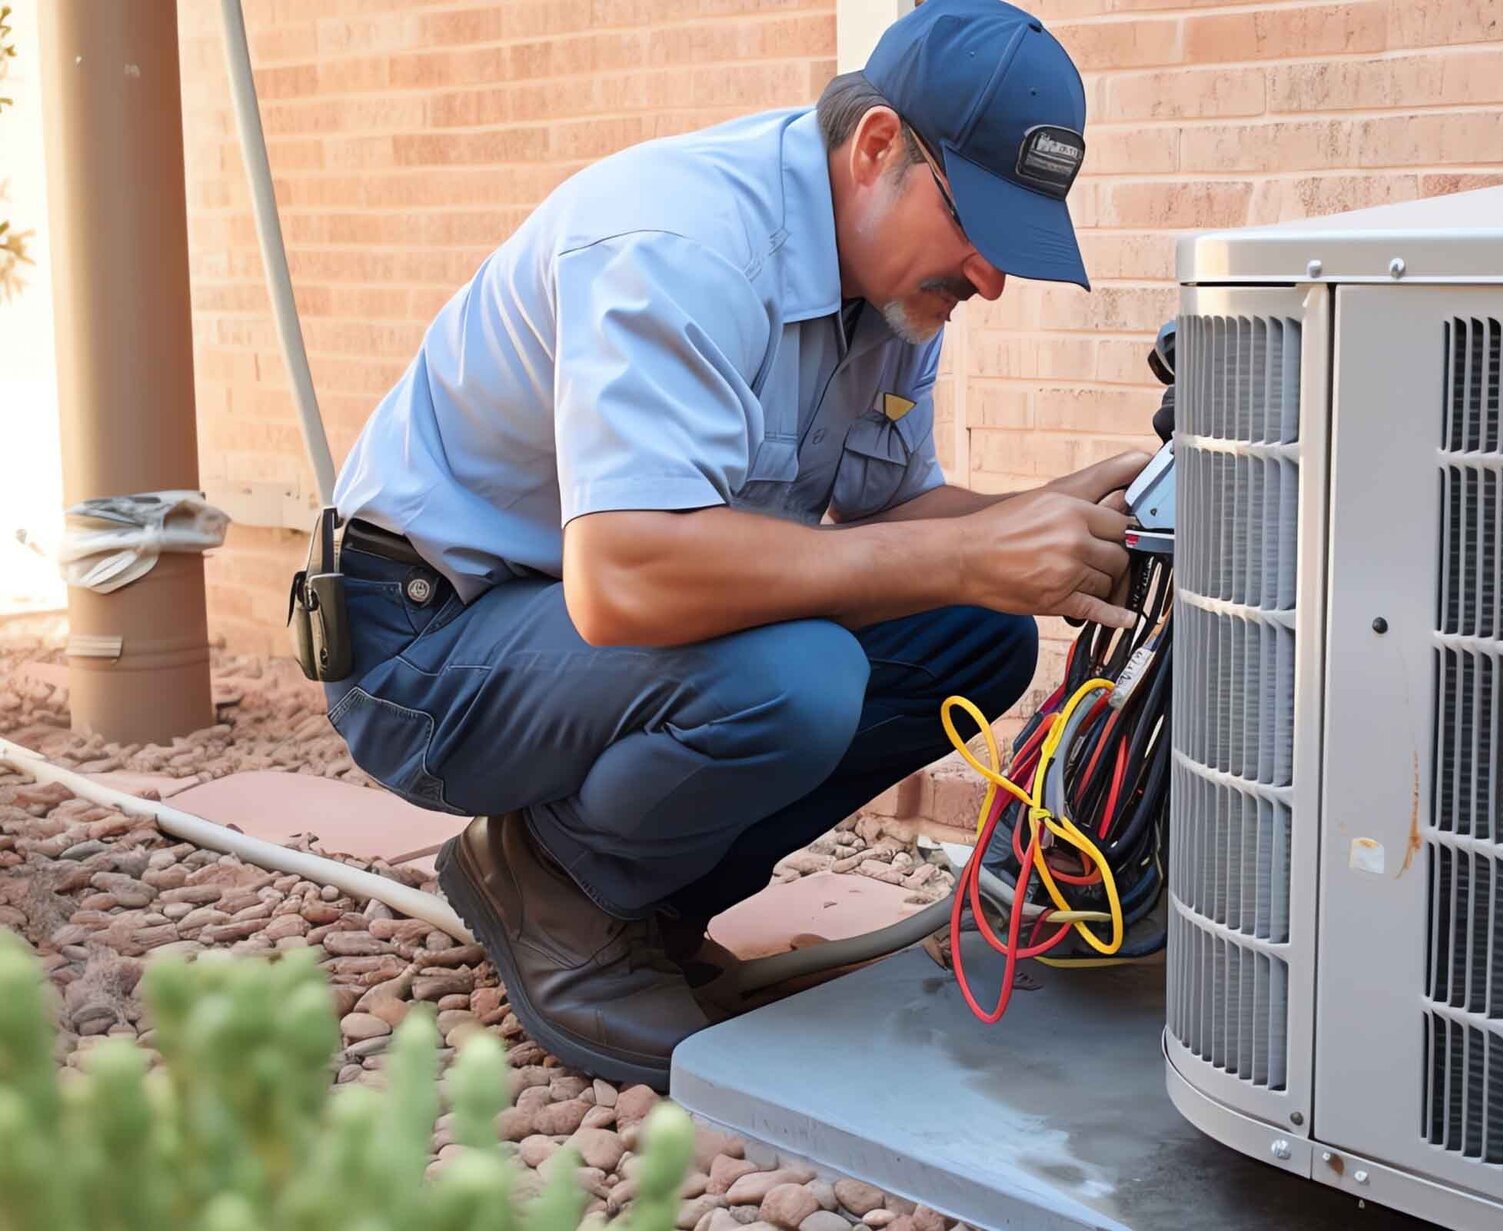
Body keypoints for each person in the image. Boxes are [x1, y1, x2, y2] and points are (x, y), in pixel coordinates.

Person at [316, 0, 1145, 1087]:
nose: (989, 278)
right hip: (426, 643)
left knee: (973, 633)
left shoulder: (892, 295)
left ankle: (648, 899)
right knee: (793, 679)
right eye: (975, 226)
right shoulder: (679, 242)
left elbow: (884, 528)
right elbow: (626, 580)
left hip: (572, 635)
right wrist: (960, 554)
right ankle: (552, 881)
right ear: (877, 147)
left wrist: (1040, 517)